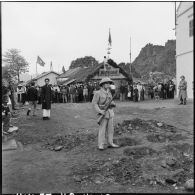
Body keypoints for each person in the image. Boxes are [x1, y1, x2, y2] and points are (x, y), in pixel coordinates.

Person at [92, 77, 119, 150]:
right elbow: (94, 104)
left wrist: (113, 104)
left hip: (110, 112)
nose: (108, 84)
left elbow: (111, 101)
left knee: (111, 129)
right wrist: (100, 111)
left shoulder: (109, 92)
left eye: (109, 83)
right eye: (107, 83)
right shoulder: (97, 93)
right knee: (102, 130)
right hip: (103, 113)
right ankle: (101, 144)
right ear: (103, 84)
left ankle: (110, 143)